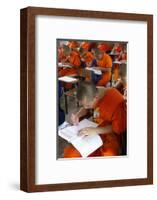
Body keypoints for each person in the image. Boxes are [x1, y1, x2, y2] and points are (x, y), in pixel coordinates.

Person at [64, 81, 127, 158]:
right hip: (92, 129)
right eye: (83, 105)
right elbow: (86, 108)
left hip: (109, 135)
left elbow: (118, 128)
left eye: (88, 105)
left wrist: (95, 130)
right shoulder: (93, 93)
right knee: (71, 154)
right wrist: (78, 115)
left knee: (108, 156)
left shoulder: (117, 102)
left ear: (95, 98)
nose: (86, 107)